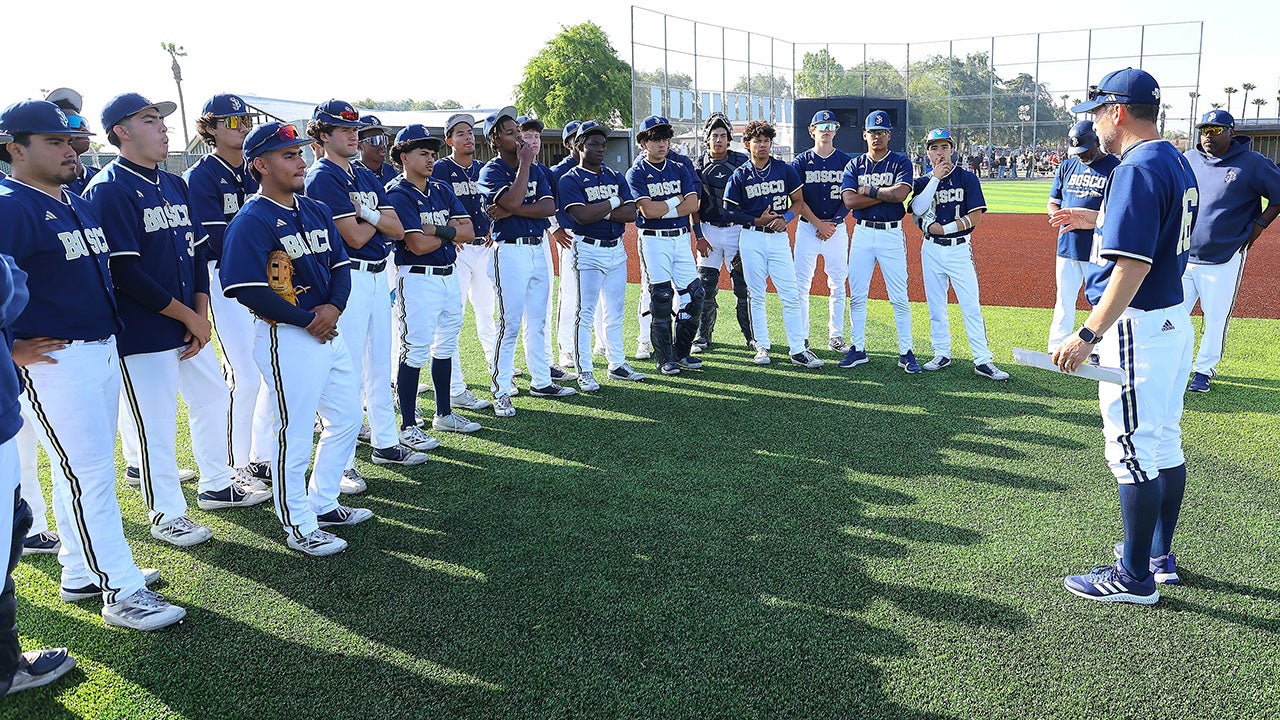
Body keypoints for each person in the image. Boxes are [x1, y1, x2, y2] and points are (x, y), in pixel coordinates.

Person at [0, 99, 184, 629]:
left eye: (69, 139)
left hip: (97, 350)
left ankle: (80, 570)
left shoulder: (71, 198)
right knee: (92, 476)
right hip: (56, 359)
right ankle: (120, 591)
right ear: (16, 148)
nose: (68, 148)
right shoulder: (10, 205)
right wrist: (10, 348)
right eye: (53, 141)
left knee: (79, 470)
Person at [85, 93, 268, 547]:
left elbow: (196, 254)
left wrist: (200, 312)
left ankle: (216, 483)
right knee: (157, 423)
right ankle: (166, 513)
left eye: (162, 121)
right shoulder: (110, 188)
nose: (164, 128)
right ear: (121, 132)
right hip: (142, 328)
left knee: (212, 397)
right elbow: (124, 272)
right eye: (150, 120)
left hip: (189, 319)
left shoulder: (173, 184)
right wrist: (189, 314)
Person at [1056, 68, 1199, 604]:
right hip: (1169, 318)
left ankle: (1134, 577)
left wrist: (1088, 332)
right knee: (1163, 442)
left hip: (1137, 323)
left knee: (1132, 448)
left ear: (1118, 111)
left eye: (1098, 111)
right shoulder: (1174, 158)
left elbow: (1131, 268)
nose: (1093, 122)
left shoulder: (1137, 166)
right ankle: (1159, 558)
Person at [221, 120, 372, 556]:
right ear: (260, 165)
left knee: (345, 418)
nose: (300, 160)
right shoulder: (252, 219)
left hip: (328, 329)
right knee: (295, 429)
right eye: (288, 155)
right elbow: (244, 288)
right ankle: (298, 523)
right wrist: (307, 318)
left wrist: (333, 309)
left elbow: (342, 264)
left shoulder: (314, 209)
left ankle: (324, 503)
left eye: (300, 152)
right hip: (286, 334)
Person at [304, 99, 427, 476]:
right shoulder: (322, 175)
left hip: (377, 274)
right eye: (343, 129)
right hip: (348, 276)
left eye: (355, 127)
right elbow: (355, 238)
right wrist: (376, 220)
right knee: (347, 369)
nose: (353, 134)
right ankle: (341, 464)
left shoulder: (364, 174)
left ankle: (385, 443)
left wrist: (367, 213)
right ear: (323, 136)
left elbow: (398, 228)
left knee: (378, 363)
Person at [184, 93, 275, 490]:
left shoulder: (253, 168)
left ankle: (259, 456)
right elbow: (218, 240)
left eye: (244, 119)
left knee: (266, 371)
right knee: (246, 375)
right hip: (224, 278)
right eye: (231, 120)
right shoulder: (202, 174)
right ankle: (234, 465)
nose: (240, 125)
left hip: (266, 277)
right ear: (211, 127)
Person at [383, 125, 483, 436]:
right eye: (422, 153)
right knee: (414, 349)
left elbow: (469, 230)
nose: (430, 159)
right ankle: (409, 424)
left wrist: (436, 230)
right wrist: (448, 234)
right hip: (417, 278)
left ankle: (444, 413)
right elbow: (416, 245)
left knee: (447, 346)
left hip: (448, 276)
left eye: (432, 153)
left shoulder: (440, 188)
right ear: (403, 156)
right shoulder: (397, 193)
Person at [478, 106, 576, 416]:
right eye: (510, 132)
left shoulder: (535, 168)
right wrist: (522, 168)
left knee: (538, 320)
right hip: (509, 251)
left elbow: (548, 206)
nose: (518, 137)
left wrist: (513, 207)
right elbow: (510, 200)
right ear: (495, 139)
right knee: (509, 324)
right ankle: (502, 390)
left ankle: (541, 380)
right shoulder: (492, 171)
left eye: (518, 131)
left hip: (537, 247)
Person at [1181, 110, 1280, 392]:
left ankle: (1203, 370)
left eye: (1216, 130)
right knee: (1173, 313)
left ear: (1231, 133)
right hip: (1185, 254)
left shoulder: (1253, 163)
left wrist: (1259, 225)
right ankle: (1176, 361)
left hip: (1225, 255)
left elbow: (1278, 193)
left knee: (1215, 317)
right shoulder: (1188, 159)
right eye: (1205, 130)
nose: (1209, 136)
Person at [909, 128, 1009, 380]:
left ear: (952, 149)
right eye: (934, 148)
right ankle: (941, 352)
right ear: (927, 152)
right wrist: (935, 179)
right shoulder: (922, 182)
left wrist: (945, 228)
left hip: (958, 248)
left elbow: (975, 216)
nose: (940, 153)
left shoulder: (967, 178)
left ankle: (982, 359)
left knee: (970, 305)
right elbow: (917, 210)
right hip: (930, 249)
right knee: (936, 305)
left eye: (944, 147)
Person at [724, 120, 823, 368]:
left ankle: (798, 349)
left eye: (766, 141)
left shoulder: (784, 169)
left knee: (789, 293)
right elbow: (729, 211)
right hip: (752, 236)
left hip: (778, 238)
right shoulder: (740, 175)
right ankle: (762, 346)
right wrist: (756, 219)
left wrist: (786, 218)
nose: (762, 145)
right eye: (757, 141)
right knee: (756, 294)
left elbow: (798, 202)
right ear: (748, 144)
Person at [557, 120, 641, 390]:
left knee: (614, 312)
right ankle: (585, 370)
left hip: (615, 248)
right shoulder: (569, 179)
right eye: (593, 144)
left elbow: (631, 213)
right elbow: (580, 216)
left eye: (602, 144)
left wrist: (601, 209)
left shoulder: (616, 176)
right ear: (579, 145)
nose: (600, 149)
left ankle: (617, 363)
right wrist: (614, 203)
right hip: (587, 249)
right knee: (585, 312)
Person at [624, 116, 705, 375]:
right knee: (661, 297)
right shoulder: (636, 172)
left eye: (665, 138)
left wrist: (664, 207)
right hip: (653, 240)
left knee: (695, 295)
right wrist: (675, 202)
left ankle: (681, 353)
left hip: (681, 238)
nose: (662, 143)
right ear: (643, 142)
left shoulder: (679, 167)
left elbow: (693, 205)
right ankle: (664, 357)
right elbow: (647, 211)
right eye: (655, 138)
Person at [839, 110, 918, 373]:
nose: (877, 136)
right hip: (862, 233)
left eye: (882, 132)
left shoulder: (900, 162)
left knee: (899, 297)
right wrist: (886, 194)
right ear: (865, 135)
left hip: (891, 233)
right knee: (858, 294)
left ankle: (906, 352)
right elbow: (849, 201)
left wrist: (869, 191)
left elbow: (901, 194)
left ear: (889, 135)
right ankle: (857, 348)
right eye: (873, 132)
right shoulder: (855, 165)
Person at [435, 113, 494, 411]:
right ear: (449, 140)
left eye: (469, 132)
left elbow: (491, 206)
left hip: (483, 248)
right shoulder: (441, 169)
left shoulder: (482, 169)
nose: (467, 137)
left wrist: (493, 229)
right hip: (457, 252)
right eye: (460, 133)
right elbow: (436, 208)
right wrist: (449, 236)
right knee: (452, 321)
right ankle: (456, 387)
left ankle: (498, 374)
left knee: (488, 313)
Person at [1046, 120, 1119, 353]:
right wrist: (1058, 216)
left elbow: (1118, 211)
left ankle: (1098, 349)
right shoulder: (1067, 166)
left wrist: (1091, 219)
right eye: (1076, 151)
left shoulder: (1115, 167)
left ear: (1097, 142)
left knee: (1098, 300)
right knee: (1064, 298)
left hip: (1098, 247)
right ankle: (1057, 343)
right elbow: (1053, 201)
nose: (1080, 155)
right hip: (1067, 245)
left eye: (1085, 150)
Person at [517, 115, 576, 383]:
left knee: (542, 306)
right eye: (527, 136)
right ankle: (505, 371)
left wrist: (551, 226)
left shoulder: (544, 172)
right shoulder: (503, 169)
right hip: (509, 246)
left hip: (538, 240)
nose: (534, 141)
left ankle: (544, 362)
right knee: (508, 312)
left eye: (537, 136)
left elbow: (550, 206)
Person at [790, 110, 852, 352]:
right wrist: (819, 224)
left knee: (838, 283)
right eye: (821, 124)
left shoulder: (846, 161)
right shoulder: (801, 162)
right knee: (801, 285)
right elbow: (797, 199)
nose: (826, 129)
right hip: (808, 228)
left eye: (831, 125)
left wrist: (833, 223)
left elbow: (849, 197)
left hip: (836, 228)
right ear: (812, 130)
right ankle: (802, 336)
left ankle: (836, 335)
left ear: (836, 130)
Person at [691, 113, 752, 353]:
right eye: (714, 136)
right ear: (707, 139)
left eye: (722, 136)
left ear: (729, 139)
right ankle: (703, 336)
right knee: (705, 287)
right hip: (709, 230)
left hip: (737, 232)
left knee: (743, 286)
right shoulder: (695, 165)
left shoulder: (742, 162)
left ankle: (751, 337)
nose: (718, 140)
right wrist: (698, 236)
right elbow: (692, 204)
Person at [44, 88, 99, 196]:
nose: (83, 129)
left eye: (83, 122)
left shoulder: (102, 177)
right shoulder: (44, 183)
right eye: (73, 121)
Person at [356, 115, 398, 185]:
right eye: (375, 140)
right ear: (360, 145)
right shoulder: (352, 173)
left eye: (384, 139)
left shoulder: (392, 172)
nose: (382, 145)